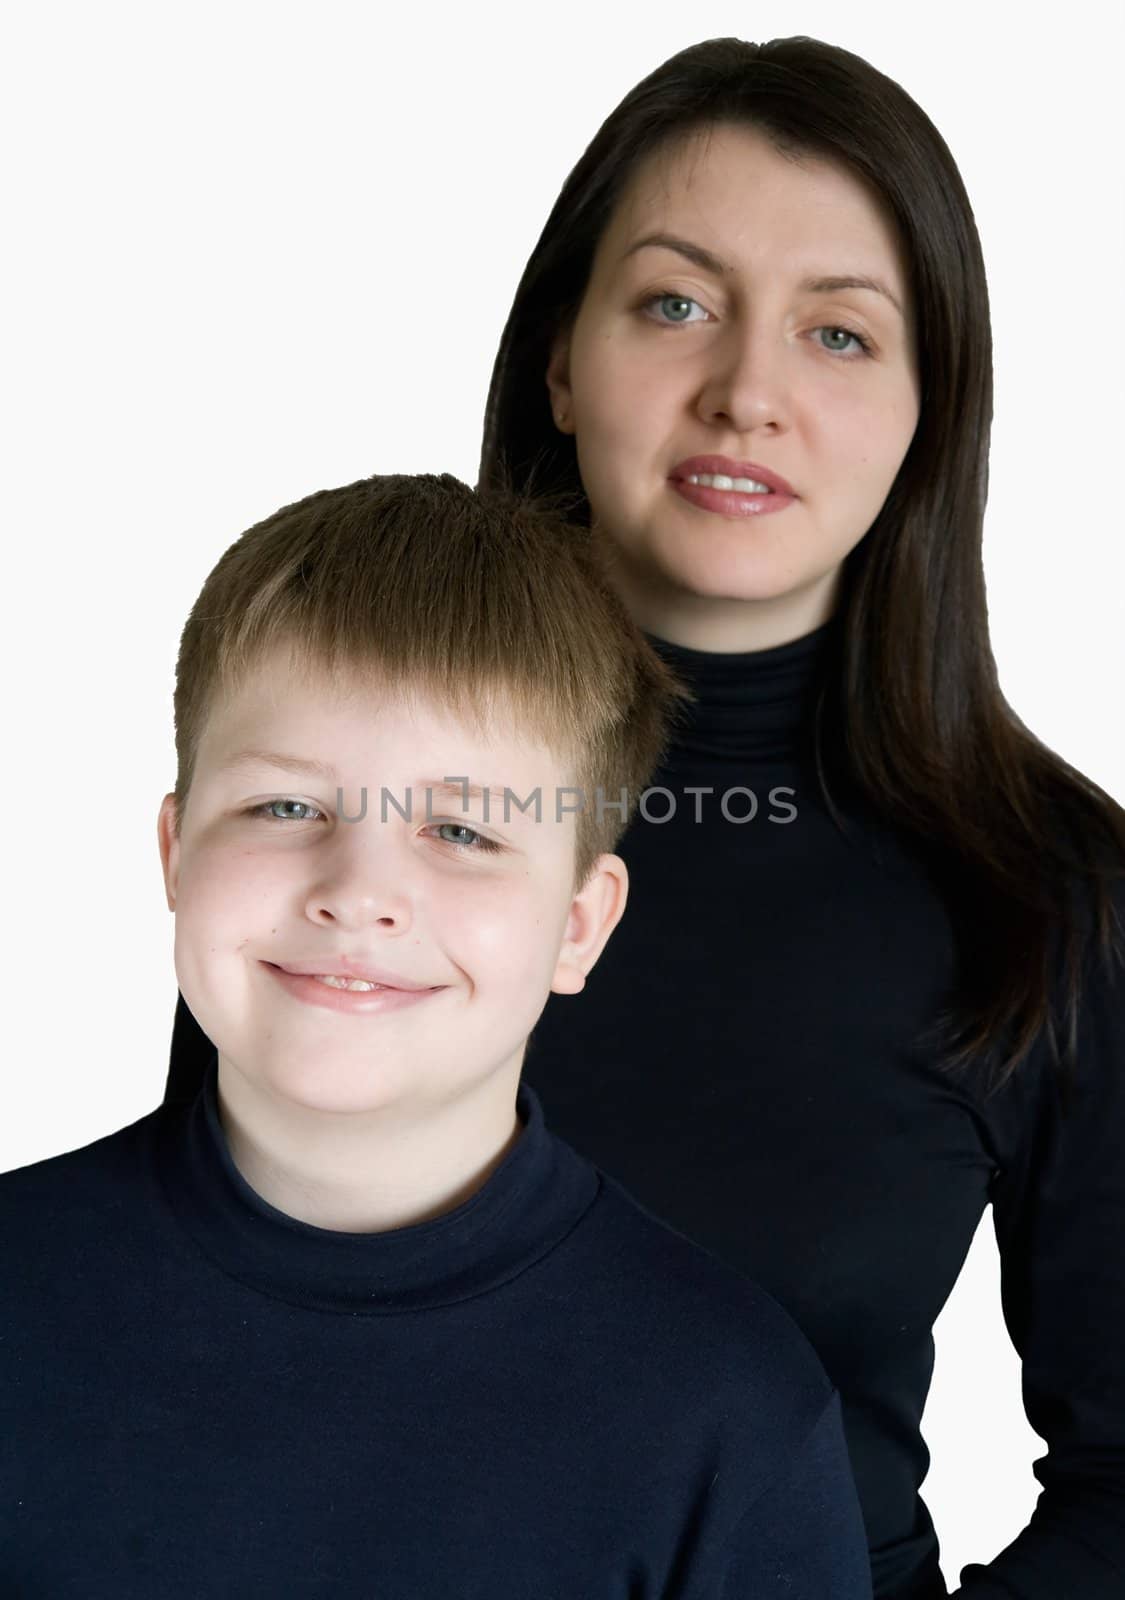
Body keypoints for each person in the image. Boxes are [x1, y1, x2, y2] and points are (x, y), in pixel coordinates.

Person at [163, 35, 1125, 1599]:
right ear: (560, 359)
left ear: (929, 409)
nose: (746, 393)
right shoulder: (336, 798)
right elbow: (205, 1314)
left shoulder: (1052, 891)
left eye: (839, 333)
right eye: (674, 304)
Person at [1, 473, 874, 1596]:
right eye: (284, 808)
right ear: (175, 854)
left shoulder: (726, 1408)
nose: (358, 894)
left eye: (461, 829)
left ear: (577, 925)